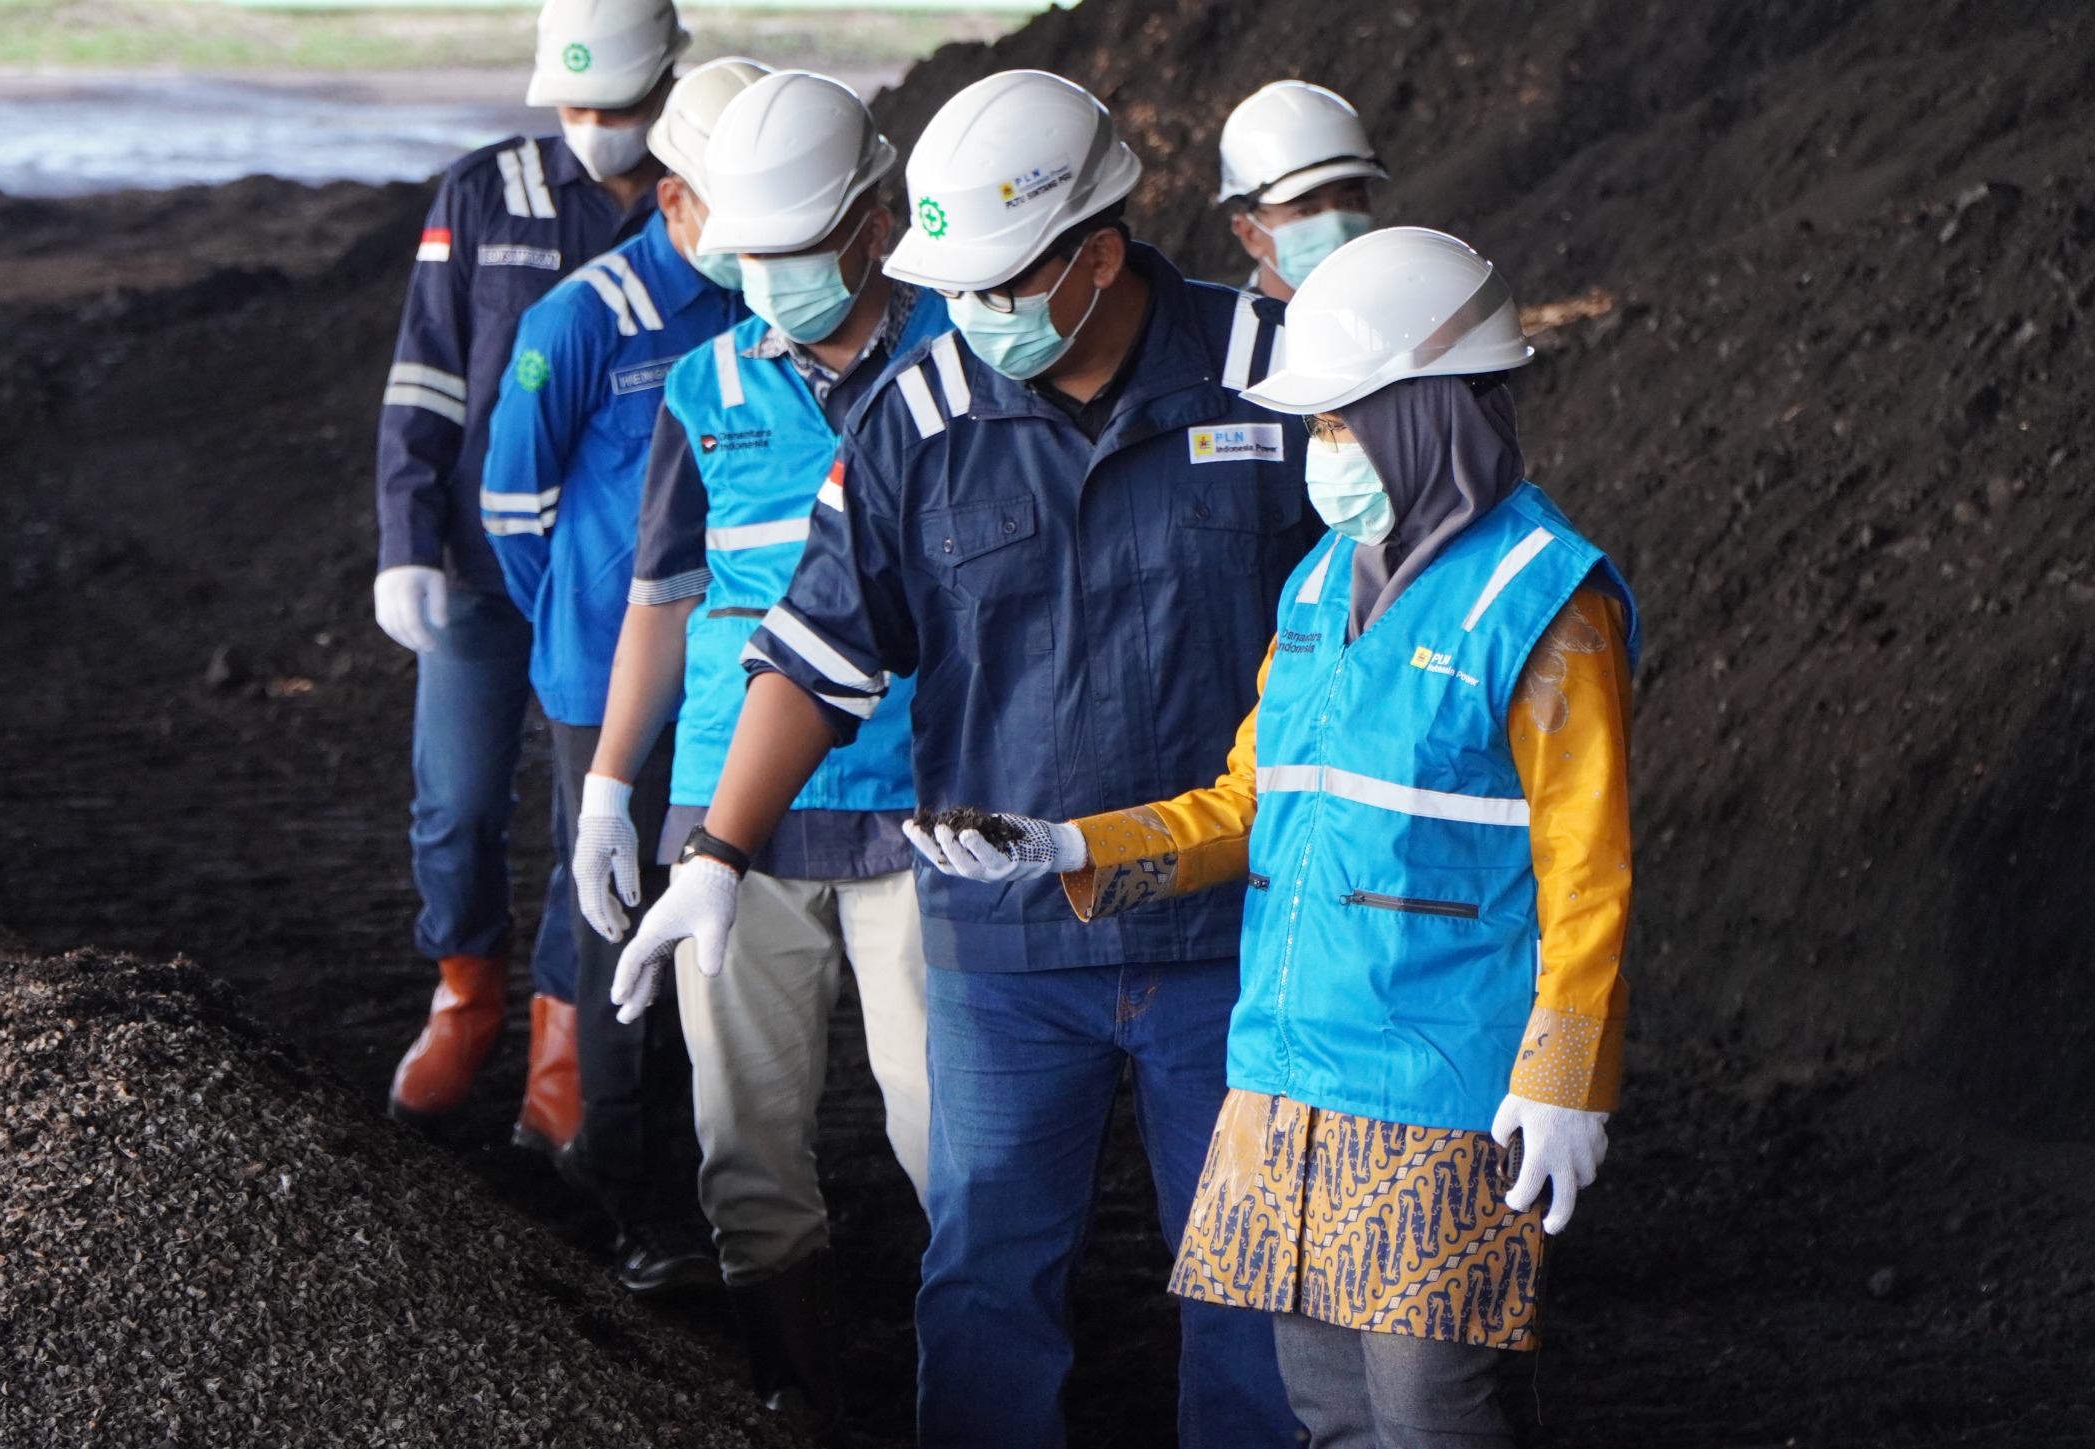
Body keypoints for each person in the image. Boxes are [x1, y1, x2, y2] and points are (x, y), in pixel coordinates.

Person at [611, 69, 1314, 1449]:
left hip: (1232, 936)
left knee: (1248, 1284)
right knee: (986, 1279)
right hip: (1003, 953)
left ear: (1096, 257)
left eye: (998, 285)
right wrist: (715, 854)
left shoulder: (1274, 373)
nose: (973, 316)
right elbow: (819, 657)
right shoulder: (918, 416)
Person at [914, 228, 1637, 1449]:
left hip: (1439, 1088)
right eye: (1319, 427)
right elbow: (1247, 801)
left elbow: (1590, 874)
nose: (1324, 454)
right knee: (1322, 1409)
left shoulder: (1543, 599)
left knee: (1435, 1412)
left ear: (1426, 413)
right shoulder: (1316, 585)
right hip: (1285, 1071)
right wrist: (1067, 849)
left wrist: (1567, 1080)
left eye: (1345, 423)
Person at [577, 69, 939, 1436]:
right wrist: (612, 791)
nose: (773, 280)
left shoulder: (963, 358)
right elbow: (660, 602)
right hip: (730, 819)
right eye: (756, 255)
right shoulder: (701, 386)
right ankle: (797, 1397)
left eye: (797, 251)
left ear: (875, 222)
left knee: (942, 1137)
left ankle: (965, 1386)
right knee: (749, 1148)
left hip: (917, 804)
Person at [369, 0, 686, 1154]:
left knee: (587, 817)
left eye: (619, 107)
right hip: (477, 566)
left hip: (611, 587)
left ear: (668, 84)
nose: (595, 127)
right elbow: (429, 378)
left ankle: (562, 1027)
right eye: (575, 106)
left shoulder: (700, 203)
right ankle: (465, 993)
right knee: (453, 802)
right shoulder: (481, 192)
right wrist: (404, 536)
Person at [477, 53, 754, 1297]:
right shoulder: (580, 320)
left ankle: (716, 1174)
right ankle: (634, 1190)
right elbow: (512, 510)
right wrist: (587, 640)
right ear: (676, 196)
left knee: (733, 936)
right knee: (620, 932)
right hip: (614, 694)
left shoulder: (766, 306)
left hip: (751, 682)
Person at [1216, 80, 1387, 304]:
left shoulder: (1420, 315)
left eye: (1351, 201)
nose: (1336, 227)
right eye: (1305, 211)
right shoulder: (1223, 337)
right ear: (1250, 234)